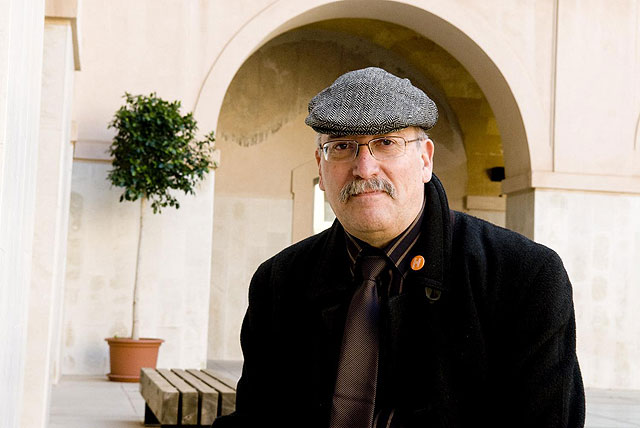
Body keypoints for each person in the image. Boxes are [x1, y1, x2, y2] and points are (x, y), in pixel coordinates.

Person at [212, 67, 585, 428]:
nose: (364, 168)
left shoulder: (524, 278)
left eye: (386, 143)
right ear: (320, 169)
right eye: (341, 146)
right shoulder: (279, 282)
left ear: (425, 160)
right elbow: (257, 417)